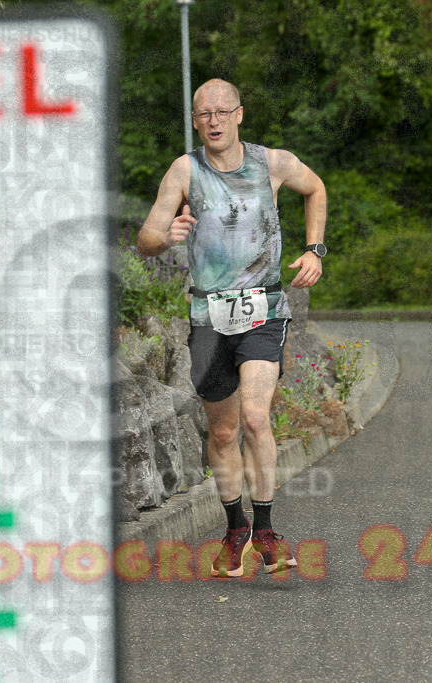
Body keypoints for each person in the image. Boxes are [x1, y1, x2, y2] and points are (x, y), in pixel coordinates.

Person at [137, 79, 327, 577]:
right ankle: (234, 526)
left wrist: (315, 249)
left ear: (240, 114)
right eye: (203, 114)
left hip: (264, 308)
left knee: (255, 418)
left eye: (223, 111)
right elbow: (147, 237)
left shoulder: (273, 163)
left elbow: (316, 189)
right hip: (208, 316)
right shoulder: (185, 170)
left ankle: (265, 530)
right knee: (221, 432)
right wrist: (165, 236)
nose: (214, 121)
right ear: (195, 121)